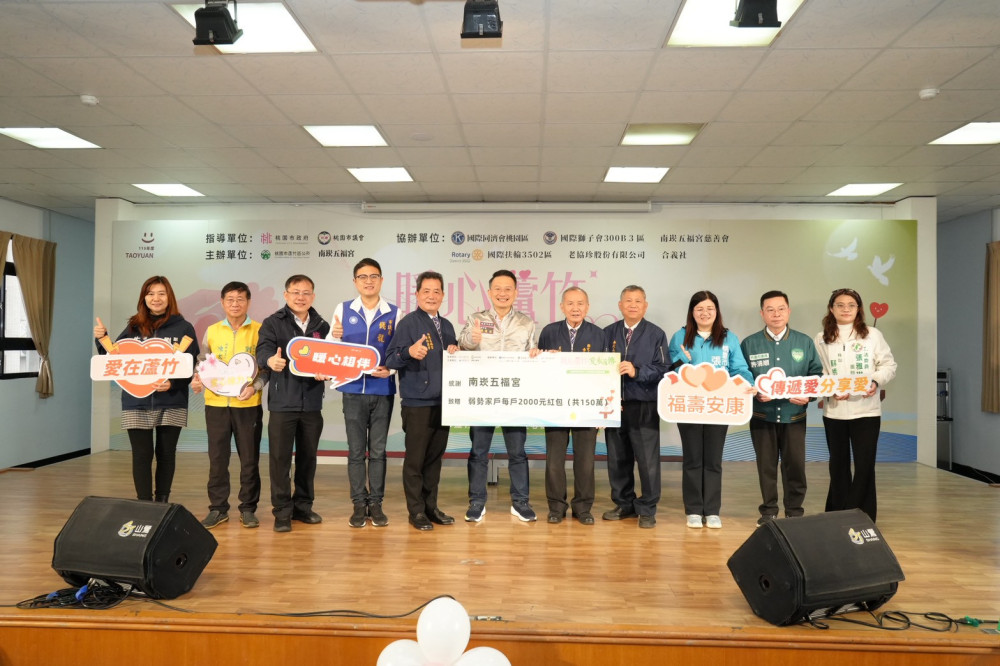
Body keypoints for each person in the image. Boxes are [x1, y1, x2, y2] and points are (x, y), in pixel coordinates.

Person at [93, 276, 199, 503]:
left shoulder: (184, 328)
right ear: (144, 298)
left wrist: (173, 383)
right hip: (135, 401)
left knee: (166, 454)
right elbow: (112, 359)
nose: (156, 298)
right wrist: (102, 338)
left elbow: (190, 365)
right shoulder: (133, 327)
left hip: (172, 400)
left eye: (161, 293)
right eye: (150, 294)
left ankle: (161, 502)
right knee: (141, 455)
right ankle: (144, 503)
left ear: (169, 297)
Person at [458, 269, 539, 523]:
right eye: (498, 289)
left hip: (514, 396)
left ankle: (520, 502)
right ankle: (476, 502)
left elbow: (533, 354)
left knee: (517, 452)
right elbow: (461, 346)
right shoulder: (476, 319)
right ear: (489, 292)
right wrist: (471, 339)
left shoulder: (526, 322)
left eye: (508, 289)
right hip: (482, 395)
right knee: (478, 451)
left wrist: (536, 354)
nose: (502, 293)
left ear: (516, 292)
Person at [668, 290, 752, 530]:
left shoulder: (729, 338)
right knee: (693, 459)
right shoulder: (680, 336)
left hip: (719, 407)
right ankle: (694, 510)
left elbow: (739, 368)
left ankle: (713, 510)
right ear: (692, 312)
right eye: (699, 309)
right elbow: (671, 370)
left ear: (717, 311)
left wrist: (748, 383)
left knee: (713, 460)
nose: (705, 313)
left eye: (709, 309)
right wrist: (681, 360)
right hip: (689, 407)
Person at [385, 271, 460, 531]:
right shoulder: (408, 323)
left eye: (436, 291)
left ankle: (431, 507)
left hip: (444, 403)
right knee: (415, 460)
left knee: (434, 460)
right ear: (417, 294)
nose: (431, 296)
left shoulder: (447, 326)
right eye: (426, 291)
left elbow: (451, 359)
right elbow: (390, 359)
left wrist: (455, 350)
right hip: (417, 403)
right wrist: (409, 351)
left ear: (443, 295)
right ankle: (416, 511)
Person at [740, 290, 822, 527]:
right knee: (765, 466)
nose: (776, 314)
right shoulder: (749, 344)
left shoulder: (804, 342)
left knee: (794, 465)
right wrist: (755, 392)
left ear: (789, 311)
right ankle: (769, 511)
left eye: (781, 309)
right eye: (770, 309)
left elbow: (816, 375)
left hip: (794, 416)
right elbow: (741, 378)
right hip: (762, 416)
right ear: (762, 313)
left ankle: (794, 511)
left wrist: (808, 395)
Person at [256, 275, 331, 533]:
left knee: (308, 459)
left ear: (313, 296)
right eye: (296, 292)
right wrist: (270, 361)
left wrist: (327, 371)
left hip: (312, 403)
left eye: (306, 292)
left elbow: (331, 358)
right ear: (286, 295)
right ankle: (282, 512)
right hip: (282, 403)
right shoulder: (273, 322)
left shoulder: (322, 325)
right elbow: (262, 351)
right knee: (280, 460)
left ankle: (303, 507)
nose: (301, 297)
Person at [814, 288, 897, 522]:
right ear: (831, 309)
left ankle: (862, 516)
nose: (846, 309)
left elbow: (888, 365)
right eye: (840, 305)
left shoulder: (872, 334)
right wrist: (830, 388)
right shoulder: (821, 338)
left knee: (864, 466)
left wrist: (875, 381)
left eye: (851, 305)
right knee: (838, 466)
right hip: (835, 413)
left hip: (866, 411)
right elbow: (818, 372)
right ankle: (836, 515)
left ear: (858, 309)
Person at [328, 258, 399, 529]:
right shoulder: (344, 309)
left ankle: (376, 504)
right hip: (352, 390)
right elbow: (331, 349)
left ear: (381, 280)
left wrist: (391, 370)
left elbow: (399, 351)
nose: (368, 281)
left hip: (382, 390)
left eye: (373, 276)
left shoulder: (395, 313)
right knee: (356, 451)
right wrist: (335, 336)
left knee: (378, 451)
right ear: (355, 281)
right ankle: (359, 505)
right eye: (363, 277)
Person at [191, 281, 266, 530]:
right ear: (222, 302)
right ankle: (218, 508)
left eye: (240, 299)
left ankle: (248, 509)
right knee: (217, 459)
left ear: (248, 302)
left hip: (248, 404)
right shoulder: (212, 331)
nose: (235, 304)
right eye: (230, 299)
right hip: (215, 404)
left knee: (249, 459)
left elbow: (265, 369)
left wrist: (254, 387)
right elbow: (202, 362)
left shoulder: (259, 330)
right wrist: (198, 378)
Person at [601, 285, 669, 529]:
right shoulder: (608, 333)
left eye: (637, 301)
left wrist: (636, 371)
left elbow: (664, 368)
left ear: (645, 306)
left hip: (644, 404)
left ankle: (647, 508)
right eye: (628, 301)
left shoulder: (656, 334)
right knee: (617, 458)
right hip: (614, 405)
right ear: (620, 305)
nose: (632, 305)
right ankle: (624, 504)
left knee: (647, 460)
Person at [536, 286, 604, 525]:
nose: (576, 308)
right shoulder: (549, 331)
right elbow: (539, 367)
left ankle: (583, 508)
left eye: (580, 303)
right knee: (554, 460)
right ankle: (556, 507)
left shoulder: (599, 334)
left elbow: (606, 372)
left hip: (588, 406)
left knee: (585, 461)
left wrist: (603, 408)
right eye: (570, 303)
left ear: (587, 307)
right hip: (555, 405)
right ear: (562, 307)